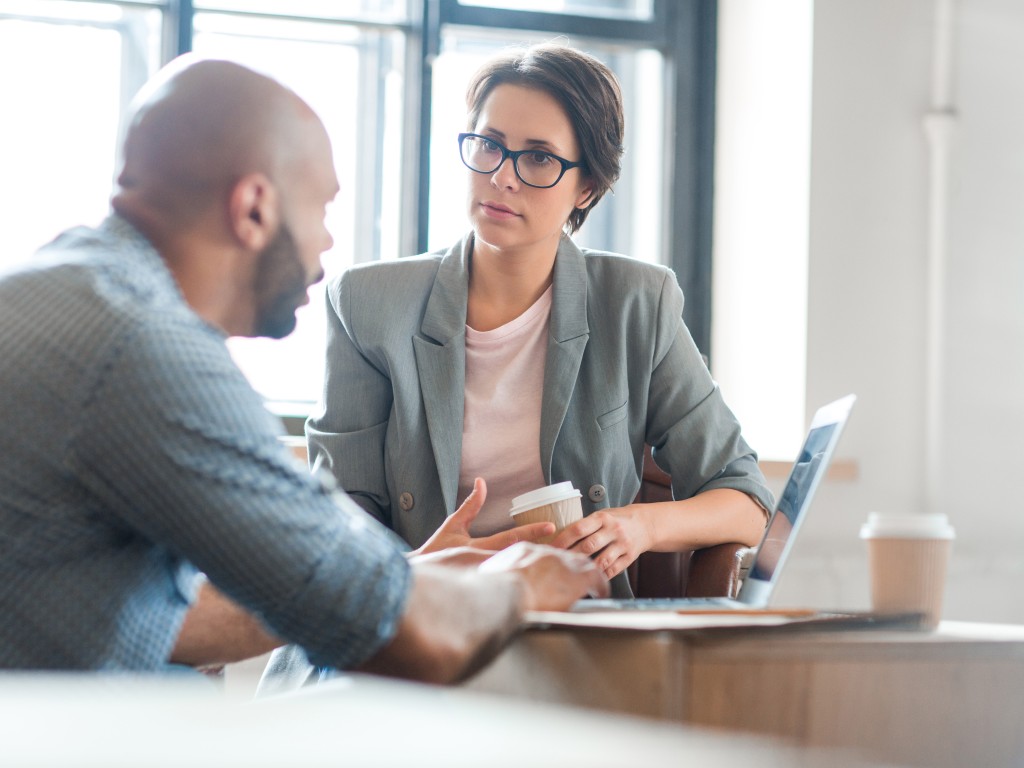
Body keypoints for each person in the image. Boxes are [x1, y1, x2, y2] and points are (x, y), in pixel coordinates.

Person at [0, 55, 607, 679]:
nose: (326, 245)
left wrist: (402, 575)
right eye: (320, 209)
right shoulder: (148, 352)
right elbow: (416, 641)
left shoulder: (63, 286)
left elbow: (173, 616)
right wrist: (526, 583)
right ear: (255, 208)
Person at [306, 42, 775, 600]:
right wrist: (418, 567)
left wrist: (641, 526)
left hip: (574, 629)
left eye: (538, 158)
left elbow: (747, 502)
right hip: (414, 618)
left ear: (587, 187)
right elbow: (336, 514)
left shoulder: (635, 303)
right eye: (489, 145)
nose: (503, 177)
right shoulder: (368, 304)